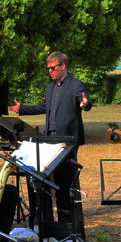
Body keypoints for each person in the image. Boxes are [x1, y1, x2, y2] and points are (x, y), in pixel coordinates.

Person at [12, 52, 93, 227]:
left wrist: (85, 103)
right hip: (50, 141)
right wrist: (22, 109)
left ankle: (69, 224)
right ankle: (47, 223)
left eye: (53, 68)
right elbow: (44, 107)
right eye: (48, 68)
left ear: (63, 66)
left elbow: (85, 100)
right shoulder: (51, 88)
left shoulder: (76, 85)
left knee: (65, 182)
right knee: (48, 180)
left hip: (67, 142)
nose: (50, 71)